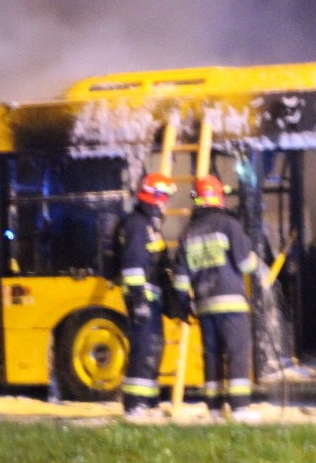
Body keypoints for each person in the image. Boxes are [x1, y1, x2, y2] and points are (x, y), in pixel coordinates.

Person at [175, 174, 264, 420]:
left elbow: (180, 279)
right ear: (219, 198)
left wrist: (185, 305)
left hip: (204, 306)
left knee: (212, 356)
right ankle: (239, 409)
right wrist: (258, 261)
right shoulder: (229, 225)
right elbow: (245, 264)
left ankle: (214, 409)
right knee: (237, 353)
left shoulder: (188, 232)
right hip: (231, 303)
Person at [112, 172, 175, 417]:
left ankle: (148, 403)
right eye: (164, 198)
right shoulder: (138, 225)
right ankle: (134, 405)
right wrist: (139, 300)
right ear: (154, 197)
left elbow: (158, 265)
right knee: (143, 350)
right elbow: (133, 264)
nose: (165, 204)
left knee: (153, 349)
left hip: (151, 299)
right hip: (142, 299)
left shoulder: (149, 225)